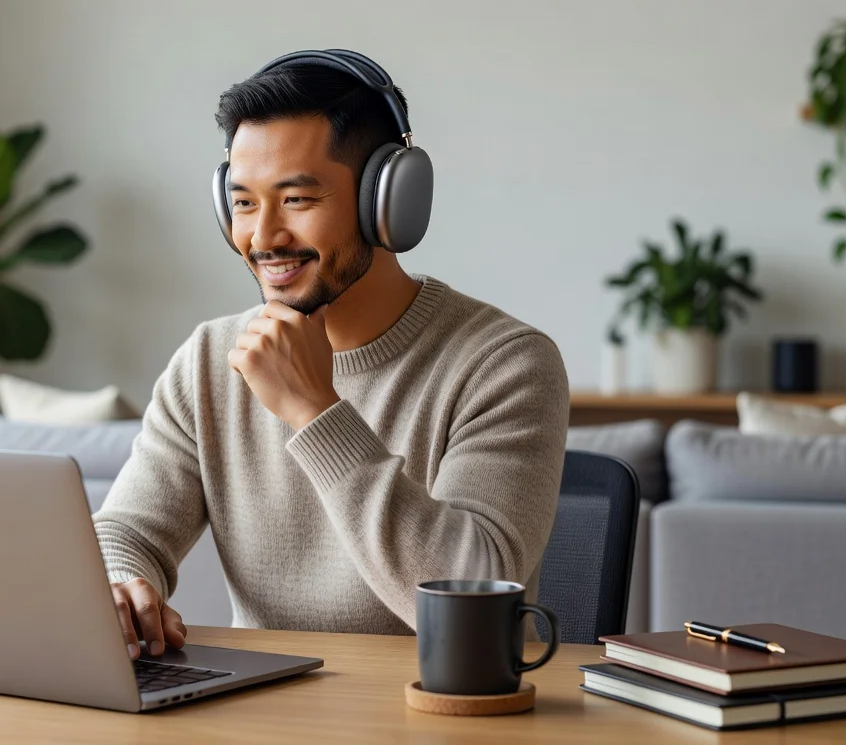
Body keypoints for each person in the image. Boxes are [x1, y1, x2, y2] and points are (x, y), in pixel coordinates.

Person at [93, 49, 569, 660]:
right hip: (264, 711)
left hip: (441, 712)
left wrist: (315, 412)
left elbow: (474, 596)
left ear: (386, 202)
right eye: (243, 202)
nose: (262, 237)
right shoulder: (211, 359)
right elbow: (127, 531)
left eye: (297, 200)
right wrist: (120, 584)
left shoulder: (505, 364)